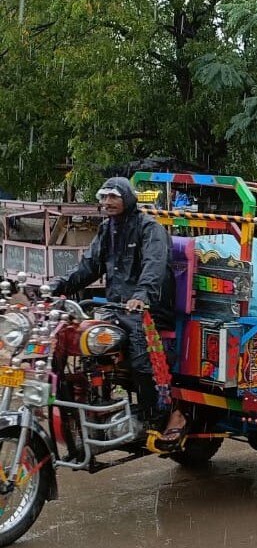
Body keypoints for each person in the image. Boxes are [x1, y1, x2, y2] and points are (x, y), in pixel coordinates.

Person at [52, 177, 179, 437]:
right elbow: (89, 267)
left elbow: (154, 266)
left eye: (113, 196)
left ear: (128, 198)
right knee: (75, 339)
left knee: (140, 351)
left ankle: (155, 414)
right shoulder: (107, 229)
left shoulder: (150, 228)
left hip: (147, 310)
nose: (107, 202)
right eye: (103, 197)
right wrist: (57, 285)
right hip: (116, 308)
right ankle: (89, 402)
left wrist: (142, 295)